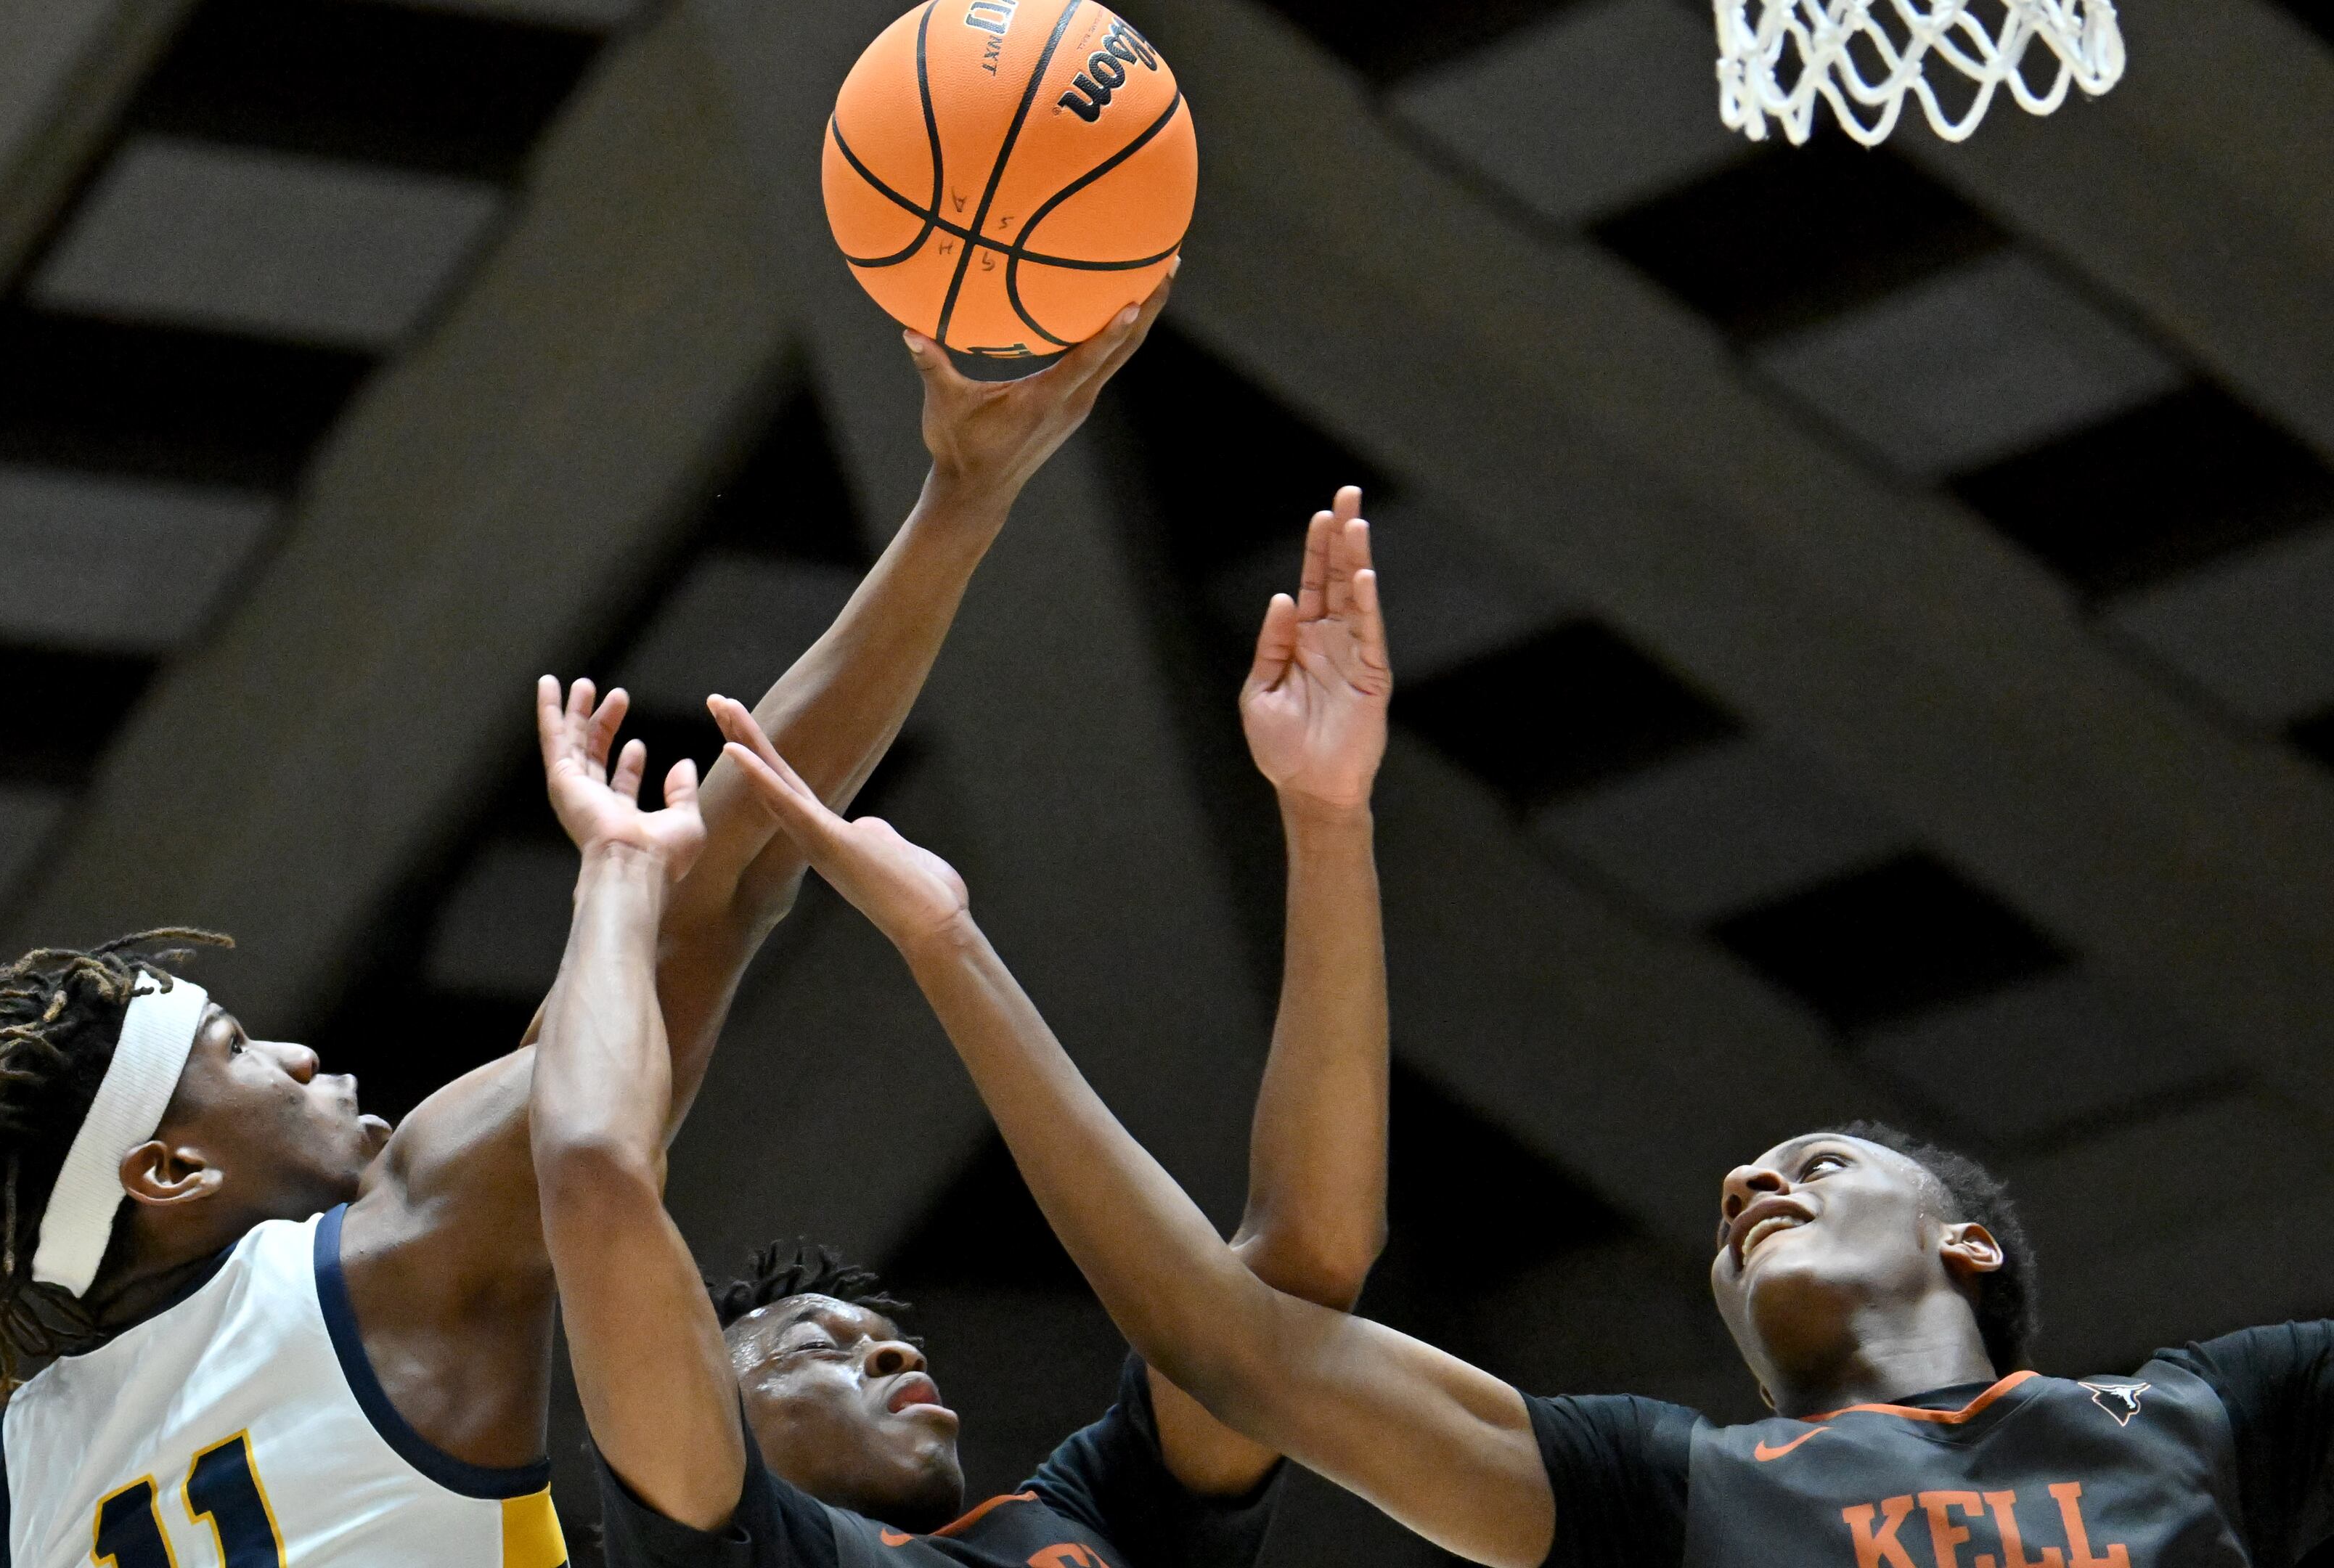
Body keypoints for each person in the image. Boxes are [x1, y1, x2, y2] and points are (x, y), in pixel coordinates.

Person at [0, 285, 1172, 1568]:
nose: (300, 1055)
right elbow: (729, 876)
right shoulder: (403, 1253)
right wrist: (960, 504)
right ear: (165, 1167)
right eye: (237, 1051)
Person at [721, 525, 2334, 1568]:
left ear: (1966, 1244)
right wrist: (1312, 827)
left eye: (1819, 1164)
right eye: (1743, 1192)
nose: (1747, 1181)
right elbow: (1240, 1336)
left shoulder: (2209, 1418)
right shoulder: (1660, 1487)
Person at [523, 494, 1395, 1568]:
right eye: (816, 1349)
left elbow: (1303, 1267)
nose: (886, 1349)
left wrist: (1327, 817)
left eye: (877, 1338)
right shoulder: (739, 1553)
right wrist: (621, 868)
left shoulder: (1097, 1516)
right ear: (716, 1414)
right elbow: (596, 1178)